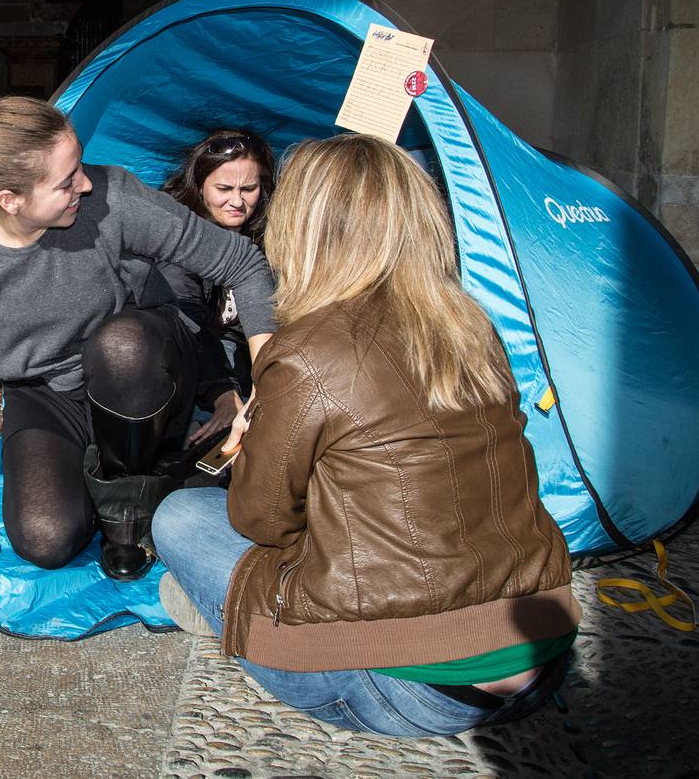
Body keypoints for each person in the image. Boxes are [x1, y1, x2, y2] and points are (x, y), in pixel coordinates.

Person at [152, 133, 580, 737]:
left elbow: (262, 521)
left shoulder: (306, 351)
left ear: (304, 229)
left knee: (180, 516)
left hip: (414, 690)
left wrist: (253, 440)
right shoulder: (471, 325)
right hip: (543, 652)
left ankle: (218, 611)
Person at [0, 96, 276, 581]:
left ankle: (128, 508)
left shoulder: (112, 199)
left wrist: (265, 387)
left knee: (122, 344)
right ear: (10, 199)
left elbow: (242, 263)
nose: (86, 183)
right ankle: (150, 476)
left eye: (79, 166)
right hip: (47, 394)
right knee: (46, 540)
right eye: (66, 180)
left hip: (145, 374)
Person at [158, 130, 277, 448]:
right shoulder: (177, 234)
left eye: (249, 188)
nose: (237, 201)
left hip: (244, 352)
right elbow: (188, 319)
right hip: (188, 352)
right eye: (224, 188)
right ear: (198, 187)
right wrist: (224, 395)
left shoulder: (271, 231)